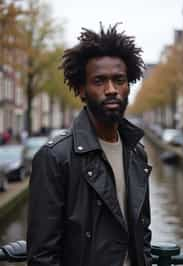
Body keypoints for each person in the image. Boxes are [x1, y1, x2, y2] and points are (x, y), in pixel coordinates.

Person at [27, 23, 152, 266]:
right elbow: (43, 255)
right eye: (99, 81)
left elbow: (142, 231)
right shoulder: (55, 157)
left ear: (129, 85)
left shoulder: (137, 152)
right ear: (81, 90)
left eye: (119, 80)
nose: (111, 90)